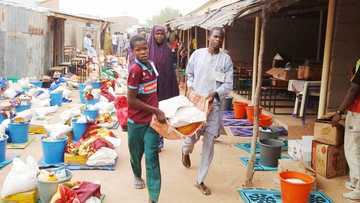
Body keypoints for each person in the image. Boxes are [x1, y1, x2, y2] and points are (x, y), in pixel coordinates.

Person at [181, 27, 233, 195]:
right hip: (197, 104)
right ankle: (185, 151)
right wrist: (191, 89)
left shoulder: (226, 60)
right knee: (192, 137)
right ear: (209, 37)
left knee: (209, 144)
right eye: (215, 36)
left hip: (214, 106)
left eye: (221, 38)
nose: (218, 40)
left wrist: (216, 93)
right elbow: (189, 74)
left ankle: (200, 180)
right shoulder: (197, 55)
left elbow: (229, 85)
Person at [127, 35, 165, 203]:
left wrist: (159, 109)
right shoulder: (135, 70)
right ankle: (137, 175)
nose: (143, 52)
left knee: (152, 158)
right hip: (136, 121)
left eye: (145, 48)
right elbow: (131, 100)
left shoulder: (152, 65)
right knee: (136, 155)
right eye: (138, 49)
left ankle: (153, 197)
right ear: (133, 51)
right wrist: (155, 109)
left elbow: (153, 91)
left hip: (151, 122)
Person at [331, 58, 360, 200]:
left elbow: (354, 88)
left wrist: (339, 112)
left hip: (358, 114)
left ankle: (359, 187)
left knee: (353, 150)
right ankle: (355, 182)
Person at [148, 25, 180, 151]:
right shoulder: (148, 49)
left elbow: (171, 71)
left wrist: (173, 89)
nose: (159, 36)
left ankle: (159, 141)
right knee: (150, 114)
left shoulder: (167, 50)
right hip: (150, 89)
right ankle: (150, 140)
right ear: (153, 34)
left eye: (162, 34)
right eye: (157, 33)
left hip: (165, 87)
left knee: (162, 114)